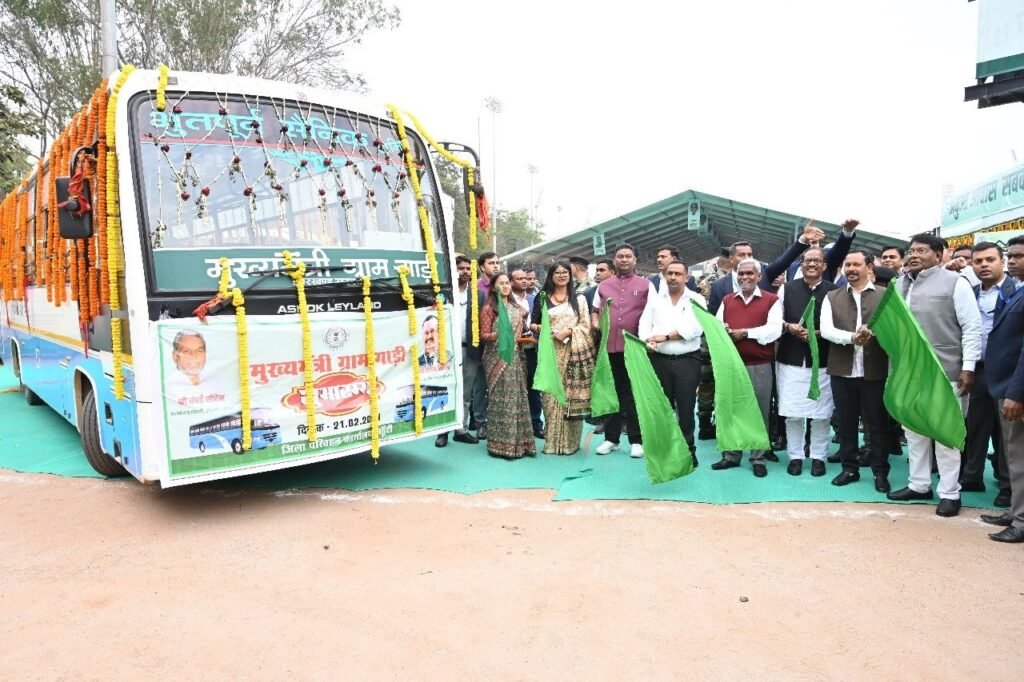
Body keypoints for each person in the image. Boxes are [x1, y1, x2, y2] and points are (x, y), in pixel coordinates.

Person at [887, 233, 981, 517]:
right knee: (914, 431)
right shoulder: (897, 284)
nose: (914, 255)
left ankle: (950, 493)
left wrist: (969, 367)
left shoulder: (956, 283)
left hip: (945, 370)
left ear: (940, 255)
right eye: (911, 250)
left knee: (944, 433)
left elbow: (972, 327)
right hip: (907, 371)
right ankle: (919, 484)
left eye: (923, 250)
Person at [822, 250, 892, 492]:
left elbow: (894, 329)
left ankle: (880, 472)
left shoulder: (886, 296)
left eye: (856, 264)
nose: (851, 269)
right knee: (846, 423)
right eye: (847, 264)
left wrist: (874, 334)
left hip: (876, 371)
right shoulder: (832, 296)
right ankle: (849, 468)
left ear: (869, 267)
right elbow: (827, 331)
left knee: (877, 425)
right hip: (843, 371)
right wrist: (852, 337)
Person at [711, 258, 783, 476]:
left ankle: (758, 458)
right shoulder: (727, 299)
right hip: (731, 365)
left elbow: (774, 330)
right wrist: (722, 329)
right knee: (731, 410)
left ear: (759, 277)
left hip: (759, 365)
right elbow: (716, 326)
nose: (745, 277)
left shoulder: (771, 300)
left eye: (750, 274)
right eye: (741, 274)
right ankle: (731, 455)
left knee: (760, 411)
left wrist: (745, 333)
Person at [978, 235, 1024, 541]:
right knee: (1013, 454)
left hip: (1015, 389)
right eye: (1012, 255)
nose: (1014, 260)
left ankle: (1021, 521)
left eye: (1020, 256)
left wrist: (1017, 393)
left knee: (1020, 456)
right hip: (1004, 385)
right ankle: (1016, 510)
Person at [776, 248, 836, 477]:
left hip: (822, 360)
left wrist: (820, 333)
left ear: (824, 265)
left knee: (821, 414)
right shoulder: (787, 289)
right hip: (791, 360)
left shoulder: (834, 291)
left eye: (817, 261)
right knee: (793, 413)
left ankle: (819, 456)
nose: (812, 264)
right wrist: (788, 326)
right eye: (807, 260)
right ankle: (796, 456)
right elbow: (776, 317)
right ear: (801, 264)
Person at [639, 260, 706, 465]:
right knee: (663, 408)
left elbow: (696, 328)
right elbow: (643, 325)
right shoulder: (655, 300)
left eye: (678, 274)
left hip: (688, 362)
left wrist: (665, 337)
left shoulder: (696, 299)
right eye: (670, 274)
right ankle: (666, 451)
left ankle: (688, 450)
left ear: (687, 277)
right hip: (659, 360)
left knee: (686, 409)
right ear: (664, 276)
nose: (673, 277)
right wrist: (647, 341)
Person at [961, 242, 1014, 498]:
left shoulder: (1015, 291)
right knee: (975, 425)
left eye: (989, 259)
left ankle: (1007, 485)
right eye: (978, 261)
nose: (983, 265)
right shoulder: (969, 292)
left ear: (1002, 261)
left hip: (1007, 372)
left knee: (1006, 432)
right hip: (977, 369)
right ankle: (972, 477)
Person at [591, 244, 652, 458]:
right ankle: (611, 438)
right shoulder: (604, 285)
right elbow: (595, 310)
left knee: (633, 394)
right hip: (609, 348)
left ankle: (637, 440)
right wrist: (596, 323)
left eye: (628, 256)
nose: (624, 260)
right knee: (612, 392)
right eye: (620, 257)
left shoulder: (646, 285)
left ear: (635, 260)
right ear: (614, 260)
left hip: (634, 349)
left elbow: (652, 314)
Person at [530, 260, 595, 454]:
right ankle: (552, 442)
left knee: (571, 398)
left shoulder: (580, 299)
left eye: (565, 272)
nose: (561, 275)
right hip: (549, 354)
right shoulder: (542, 297)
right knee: (550, 397)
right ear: (551, 276)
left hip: (573, 353)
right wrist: (547, 329)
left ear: (571, 275)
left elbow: (586, 327)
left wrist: (568, 331)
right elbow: (532, 324)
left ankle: (570, 444)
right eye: (557, 272)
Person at [707, 221, 826, 315]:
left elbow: (784, 260)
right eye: (742, 255)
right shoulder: (718, 286)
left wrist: (803, 240)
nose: (747, 258)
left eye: (750, 254)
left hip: (761, 340)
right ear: (731, 259)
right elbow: (713, 316)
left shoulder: (765, 273)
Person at [479, 272, 535, 459]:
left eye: (506, 283)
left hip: (515, 359)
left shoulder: (517, 309)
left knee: (517, 398)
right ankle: (499, 445)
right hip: (495, 359)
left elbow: (517, 336)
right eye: (500, 283)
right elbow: (484, 336)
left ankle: (520, 444)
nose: (504, 286)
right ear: (493, 287)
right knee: (499, 399)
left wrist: (526, 340)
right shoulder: (489, 309)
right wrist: (500, 334)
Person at [436, 255, 480, 448]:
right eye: (461, 268)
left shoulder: (477, 294)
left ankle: (460, 429)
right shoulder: (443, 292)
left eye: (468, 269)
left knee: (466, 391)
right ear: (453, 271)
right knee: (446, 388)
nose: (465, 272)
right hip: (447, 350)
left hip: (469, 349)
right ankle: (442, 431)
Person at [471, 251, 502, 439]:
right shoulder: (474, 288)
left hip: (501, 345)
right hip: (481, 343)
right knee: (480, 385)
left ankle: (497, 420)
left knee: (498, 384)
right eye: (491, 263)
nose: (496, 266)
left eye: (497, 262)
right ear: (482, 266)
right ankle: (480, 422)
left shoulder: (504, 285)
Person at [511, 267, 544, 438]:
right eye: (519, 278)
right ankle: (517, 426)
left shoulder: (533, 299)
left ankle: (536, 423)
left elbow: (538, 321)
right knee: (515, 388)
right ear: (511, 282)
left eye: (526, 278)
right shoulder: (506, 301)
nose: (524, 281)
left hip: (532, 350)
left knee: (533, 387)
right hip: (513, 351)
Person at [166, 330, 228, 405]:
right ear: (175, 356)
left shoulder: (216, 385)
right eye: (186, 351)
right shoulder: (167, 389)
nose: (194, 357)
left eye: (199, 351)